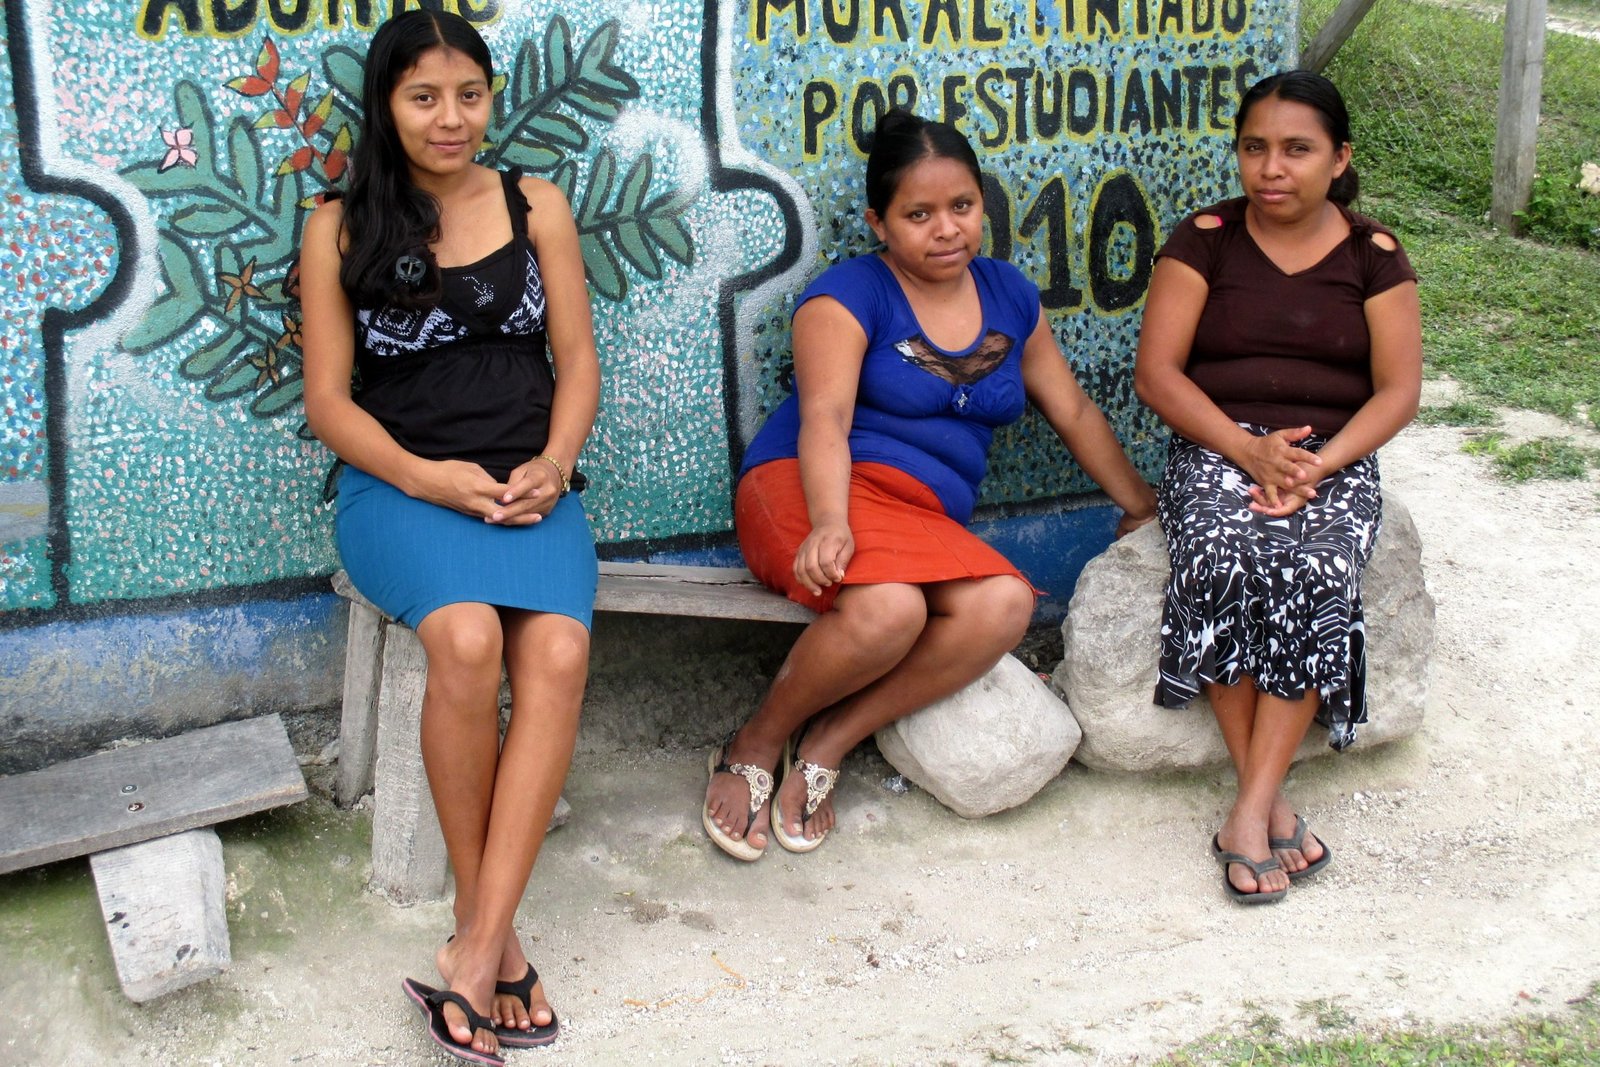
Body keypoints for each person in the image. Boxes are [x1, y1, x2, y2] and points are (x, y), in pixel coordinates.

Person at [703, 108, 1158, 862]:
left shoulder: (1010, 296)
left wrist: (1140, 504)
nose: (945, 229)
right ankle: (756, 740)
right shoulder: (848, 295)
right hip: (807, 488)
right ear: (881, 223)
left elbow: (1071, 409)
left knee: (1006, 602)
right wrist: (827, 521)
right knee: (889, 610)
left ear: (983, 205)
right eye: (918, 214)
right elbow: (824, 419)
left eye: (961, 207)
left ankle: (829, 742)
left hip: (918, 517)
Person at [300, 10, 600, 1063]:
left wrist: (554, 466)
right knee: (466, 638)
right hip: (400, 492)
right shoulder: (340, 222)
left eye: (468, 94)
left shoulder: (536, 205)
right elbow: (331, 403)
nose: (450, 117)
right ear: (387, 103)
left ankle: (469, 954)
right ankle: (495, 937)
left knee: (558, 646)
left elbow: (576, 361)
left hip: (528, 489)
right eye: (424, 96)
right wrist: (429, 477)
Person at [1133, 70, 1423, 905]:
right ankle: (1265, 807)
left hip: (1332, 455)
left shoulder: (1375, 254)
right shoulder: (1205, 239)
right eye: (1255, 147)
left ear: (1339, 159)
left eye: (1297, 149)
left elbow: (1398, 391)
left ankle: (1248, 809)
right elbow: (1158, 374)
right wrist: (1245, 450)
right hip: (1217, 446)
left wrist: (1315, 467)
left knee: (1317, 571)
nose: (1272, 168)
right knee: (1223, 558)